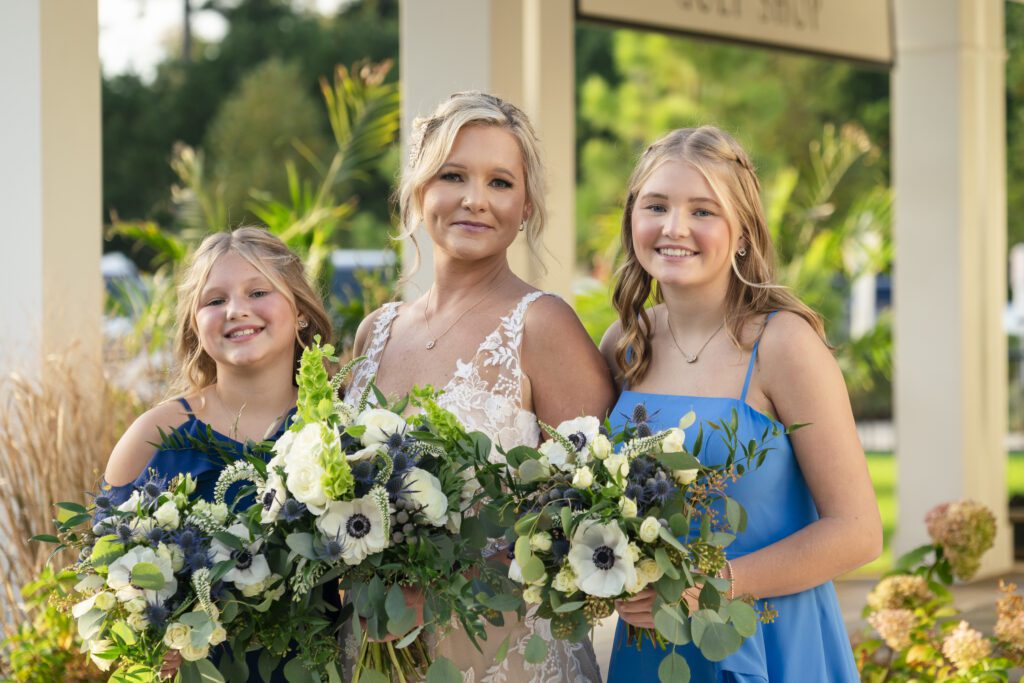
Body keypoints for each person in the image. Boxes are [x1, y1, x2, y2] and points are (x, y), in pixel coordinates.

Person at [344, 91, 615, 682]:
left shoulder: (543, 325)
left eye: (499, 183)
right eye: (453, 175)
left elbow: (593, 518)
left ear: (526, 207)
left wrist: (445, 580)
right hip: (374, 655)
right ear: (419, 192)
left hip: (507, 657)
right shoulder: (375, 333)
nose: (474, 199)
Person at [600, 127, 881, 681]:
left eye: (703, 211)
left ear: (744, 232)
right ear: (633, 218)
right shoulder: (625, 343)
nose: (675, 228)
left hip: (770, 637)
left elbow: (857, 530)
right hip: (653, 649)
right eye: (656, 205)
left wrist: (710, 585)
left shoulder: (784, 344)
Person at [102, 226, 334, 681]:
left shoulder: (342, 428)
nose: (236, 310)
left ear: (301, 312)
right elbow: (104, 585)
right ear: (194, 323)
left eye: (258, 291)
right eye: (214, 300)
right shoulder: (154, 437)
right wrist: (145, 640)